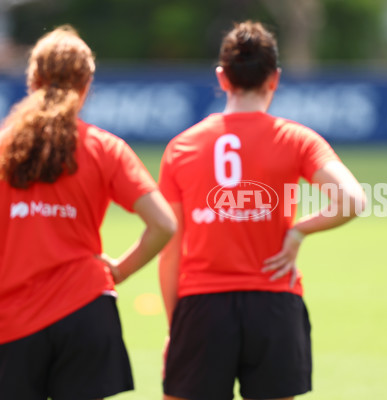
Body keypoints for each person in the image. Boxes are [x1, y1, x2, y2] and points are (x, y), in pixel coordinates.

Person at [159, 20, 366, 400]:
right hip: (274, 305)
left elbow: (171, 249)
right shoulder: (296, 139)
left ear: (222, 77)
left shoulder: (181, 147)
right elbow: (354, 200)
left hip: (202, 307)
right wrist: (300, 229)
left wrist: (177, 330)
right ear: (275, 78)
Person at [0, 25, 177, 399]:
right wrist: (118, 271)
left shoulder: (3, 149)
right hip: (86, 311)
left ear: (33, 80)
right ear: (87, 83)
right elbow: (163, 223)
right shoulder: (105, 148)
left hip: (12, 323)